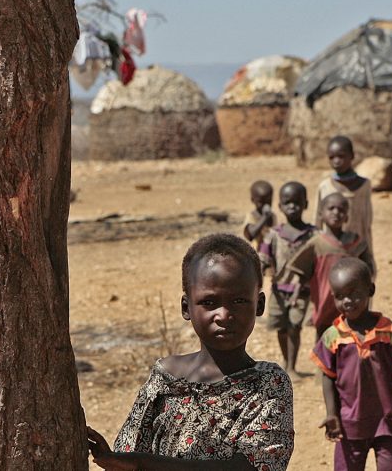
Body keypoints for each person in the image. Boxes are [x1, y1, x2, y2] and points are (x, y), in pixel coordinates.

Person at [87, 234, 294, 471]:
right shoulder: (165, 377)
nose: (224, 315)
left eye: (238, 301)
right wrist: (119, 461)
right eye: (209, 302)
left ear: (259, 305)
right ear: (187, 308)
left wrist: (140, 464)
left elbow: (250, 467)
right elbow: (129, 451)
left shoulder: (268, 384)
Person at [311, 258, 392, 471]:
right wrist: (332, 413)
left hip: (385, 421)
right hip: (349, 424)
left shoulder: (388, 331)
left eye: (354, 293)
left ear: (371, 289)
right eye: (340, 296)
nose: (347, 301)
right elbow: (327, 377)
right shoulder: (333, 336)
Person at [283, 193, 375, 340]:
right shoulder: (316, 243)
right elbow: (302, 271)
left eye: (341, 210)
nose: (336, 213)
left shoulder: (356, 242)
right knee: (324, 334)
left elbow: (367, 267)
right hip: (325, 298)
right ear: (321, 214)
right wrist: (296, 294)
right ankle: (324, 362)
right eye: (331, 208)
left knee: (351, 333)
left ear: (347, 216)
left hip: (351, 299)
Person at [258, 182, 316, 376]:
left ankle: (291, 366)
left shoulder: (313, 235)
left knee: (294, 327)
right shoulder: (273, 235)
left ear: (306, 204)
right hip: (278, 290)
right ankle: (285, 361)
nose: (292, 207)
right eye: (287, 203)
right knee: (280, 328)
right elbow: (263, 259)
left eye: (297, 203)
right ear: (280, 206)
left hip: (302, 290)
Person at [316, 136, 372, 251]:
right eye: (332, 157)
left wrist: (368, 251)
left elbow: (367, 221)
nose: (336, 161)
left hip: (357, 246)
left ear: (352, 156)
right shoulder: (325, 186)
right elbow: (317, 221)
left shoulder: (364, 186)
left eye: (341, 156)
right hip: (331, 247)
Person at [243, 180, 275, 251]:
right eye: (261, 202)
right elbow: (251, 234)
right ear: (252, 200)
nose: (266, 205)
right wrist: (264, 217)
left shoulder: (272, 216)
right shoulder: (251, 216)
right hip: (255, 253)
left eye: (268, 201)